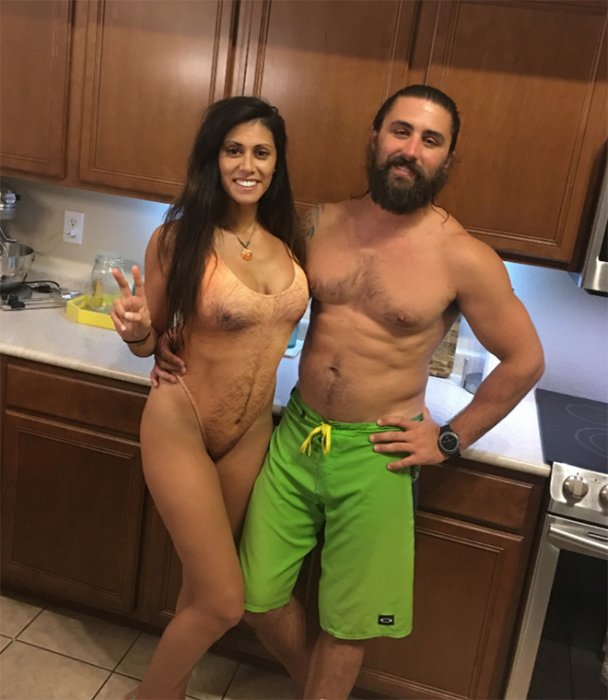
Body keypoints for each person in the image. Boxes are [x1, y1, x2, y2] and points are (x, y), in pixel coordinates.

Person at [155, 84, 545, 699]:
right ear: (375, 138)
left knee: (349, 621)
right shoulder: (318, 223)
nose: (410, 149)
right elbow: (242, 281)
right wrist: (170, 338)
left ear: (448, 159)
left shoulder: (464, 257)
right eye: (400, 131)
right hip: (296, 437)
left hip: (379, 453)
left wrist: (449, 439)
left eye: (430, 140)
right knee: (252, 595)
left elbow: (525, 360)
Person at [109, 96, 308, 700]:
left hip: (250, 432)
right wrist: (137, 330)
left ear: (276, 163)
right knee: (225, 600)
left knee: (201, 589)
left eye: (261, 152)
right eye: (233, 150)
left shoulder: (289, 240)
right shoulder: (178, 237)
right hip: (183, 421)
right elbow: (150, 342)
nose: (247, 165)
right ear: (213, 159)